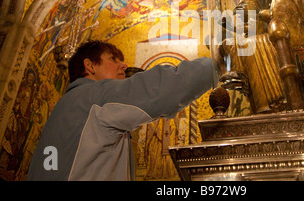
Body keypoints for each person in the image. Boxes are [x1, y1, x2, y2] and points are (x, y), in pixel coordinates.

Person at [27, 40, 224, 180]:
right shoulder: (94, 97)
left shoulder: (64, 108)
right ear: (89, 66)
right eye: (113, 59)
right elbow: (162, 89)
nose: (124, 65)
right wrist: (216, 65)